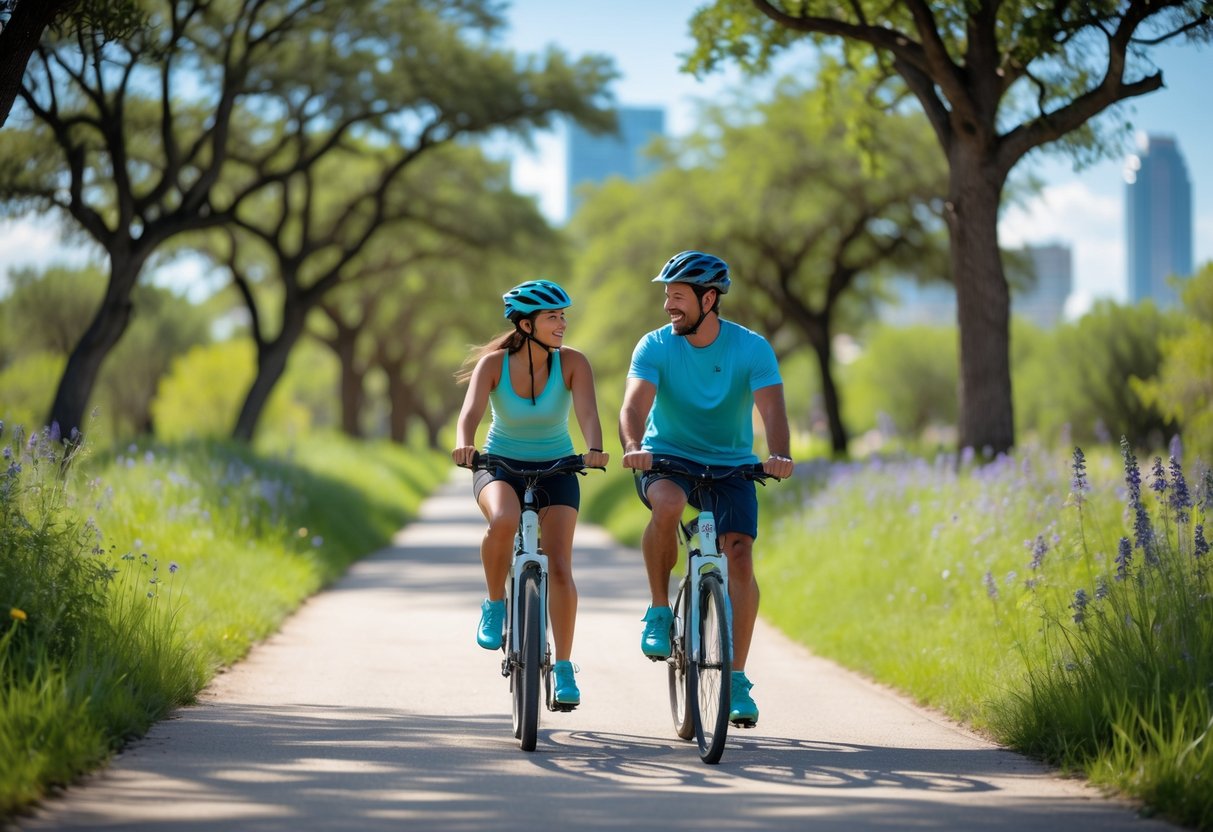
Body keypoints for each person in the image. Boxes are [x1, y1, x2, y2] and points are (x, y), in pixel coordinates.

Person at [619, 250, 794, 727]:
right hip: (666, 455)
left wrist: (779, 454)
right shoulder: (654, 345)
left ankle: (736, 679)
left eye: (678, 297)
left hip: (731, 463)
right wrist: (634, 445)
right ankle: (659, 609)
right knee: (670, 504)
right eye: (667, 296)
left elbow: (772, 411)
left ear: (709, 298)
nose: (668, 306)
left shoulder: (751, 348)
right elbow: (633, 406)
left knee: (738, 554)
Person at [452, 279, 609, 709]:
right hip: (500, 465)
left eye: (563, 315)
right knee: (503, 521)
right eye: (553, 317)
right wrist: (465, 445)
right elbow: (469, 415)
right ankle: (495, 603)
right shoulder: (494, 365)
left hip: (558, 466)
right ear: (526, 324)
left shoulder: (573, 362)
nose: (562, 323)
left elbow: (589, 414)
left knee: (559, 565)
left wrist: (594, 449)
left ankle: (563, 667)